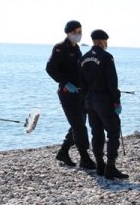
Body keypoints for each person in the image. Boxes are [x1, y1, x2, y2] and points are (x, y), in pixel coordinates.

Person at [46, 20, 96, 169]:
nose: (78, 35)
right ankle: (84, 157)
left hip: (80, 93)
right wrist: (65, 83)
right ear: (68, 33)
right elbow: (50, 68)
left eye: (80, 32)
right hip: (67, 92)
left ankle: (63, 152)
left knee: (78, 123)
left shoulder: (77, 49)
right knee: (79, 126)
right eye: (75, 32)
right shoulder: (59, 48)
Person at [79, 29, 127, 179]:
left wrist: (85, 99)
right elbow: (112, 81)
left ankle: (100, 164)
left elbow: (81, 82)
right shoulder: (107, 57)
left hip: (89, 98)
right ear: (101, 41)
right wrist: (117, 101)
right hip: (104, 98)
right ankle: (110, 166)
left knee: (96, 132)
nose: (106, 44)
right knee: (113, 132)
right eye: (106, 41)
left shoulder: (83, 58)